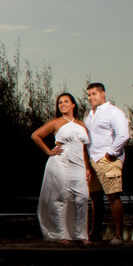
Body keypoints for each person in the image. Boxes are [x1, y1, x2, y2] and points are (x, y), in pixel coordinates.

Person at [31, 93, 92, 243]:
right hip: (61, 163)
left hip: (78, 165)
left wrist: (88, 167)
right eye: (59, 103)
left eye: (66, 101)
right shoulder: (56, 122)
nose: (62, 104)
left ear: (73, 104)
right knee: (61, 197)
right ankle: (60, 235)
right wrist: (49, 151)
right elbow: (35, 136)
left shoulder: (81, 124)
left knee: (83, 198)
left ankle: (80, 235)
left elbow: (84, 148)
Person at [83, 82, 129, 245]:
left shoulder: (114, 112)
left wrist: (110, 153)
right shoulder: (89, 113)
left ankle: (118, 235)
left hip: (108, 159)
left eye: (94, 94)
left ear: (103, 94)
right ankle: (95, 233)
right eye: (89, 95)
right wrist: (87, 162)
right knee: (95, 197)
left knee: (112, 195)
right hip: (92, 159)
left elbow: (123, 135)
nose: (91, 97)